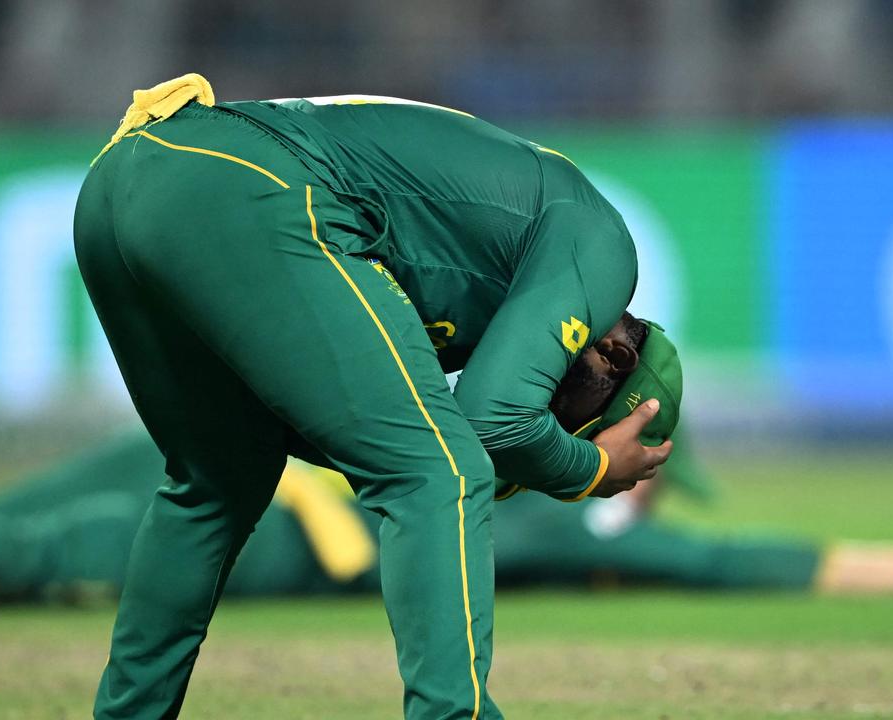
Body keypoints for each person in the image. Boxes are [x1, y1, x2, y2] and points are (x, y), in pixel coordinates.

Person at [70, 73, 679, 719]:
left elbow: (336, 432)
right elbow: (495, 423)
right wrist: (592, 469)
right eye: (572, 425)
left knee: (217, 482)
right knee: (438, 471)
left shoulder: (495, 286)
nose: (550, 430)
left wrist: (527, 462)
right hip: (244, 182)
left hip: (125, 181)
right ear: (611, 357)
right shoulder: (603, 247)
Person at [0, 426, 893, 614]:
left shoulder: (525, 489)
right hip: (253, 517)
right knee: (52, 548)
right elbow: (707, 559)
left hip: (252, 499)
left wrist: (889, 563)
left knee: (51, 534)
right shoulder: (543, 500)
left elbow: (708, 557)